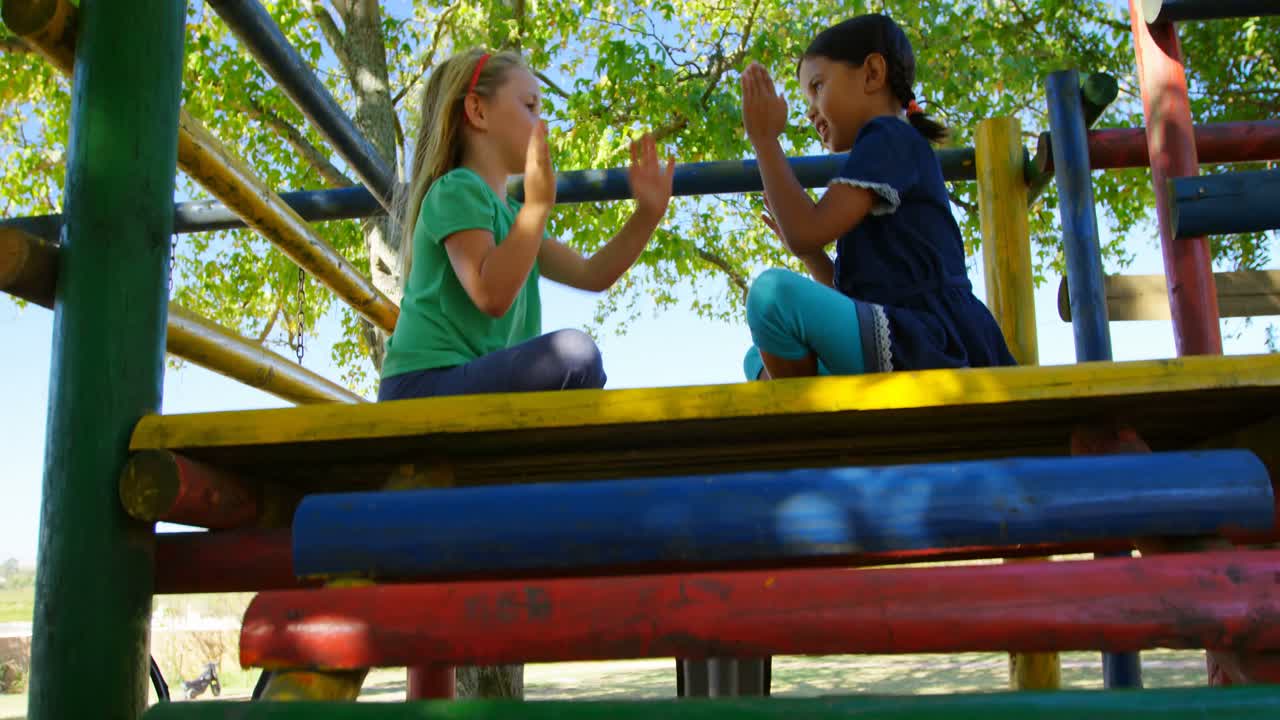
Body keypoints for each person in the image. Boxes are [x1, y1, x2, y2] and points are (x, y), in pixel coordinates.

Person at [379, 48, 675, 402]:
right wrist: (536, 209)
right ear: (478, 110)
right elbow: (490, 294)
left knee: (576, 361)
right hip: (423, 388)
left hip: (466, 387)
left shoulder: (513, 215)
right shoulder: (455, 189)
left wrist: (647, 214)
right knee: (573, 356)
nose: (543, 125)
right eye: (530, 106)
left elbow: (593, 274)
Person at [739, 13, 1015, 383]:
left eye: (818, 86)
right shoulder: (874, 158)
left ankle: (811, 429)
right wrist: (809, 255)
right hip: (896, 336)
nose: (810, 111)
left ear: (872, 73)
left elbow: (806, 229)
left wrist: (765, 140)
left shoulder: (888, 137)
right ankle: (821, 419)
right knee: (756, 359)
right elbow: (850, 296)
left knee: (771, 298)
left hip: (926, 341)